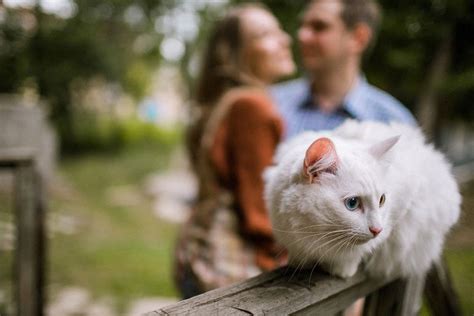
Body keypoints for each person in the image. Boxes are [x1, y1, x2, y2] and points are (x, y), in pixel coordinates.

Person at [174, 3, 295, 299]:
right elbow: (259, 215)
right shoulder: (251, 106)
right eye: (266, 34)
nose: (285, 39)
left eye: (279, 29)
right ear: (236, 54)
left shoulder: (225, 101)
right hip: (227, 270)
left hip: (197, 254)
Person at [272, 0, 417, 139]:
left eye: (319, 26)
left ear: (358, 38)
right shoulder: (271, 104)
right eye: (302, 25)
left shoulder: (393, 123)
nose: (302, 36)